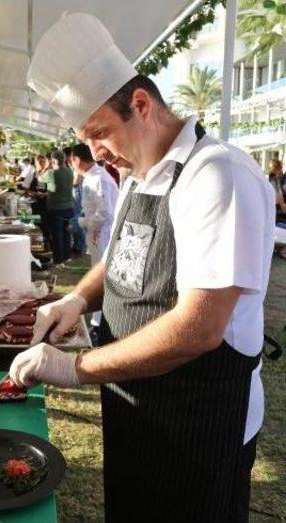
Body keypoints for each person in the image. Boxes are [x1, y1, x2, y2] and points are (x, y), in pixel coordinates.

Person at [17, 12, 275, 522]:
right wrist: (76, 299)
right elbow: (119, 260)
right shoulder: (139, 174)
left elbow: (198, 328)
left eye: (99, 133)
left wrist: (74, 368)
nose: (94, 152)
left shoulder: (215, 175)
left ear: (141, 104)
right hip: (136, 403)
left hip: (199, 423)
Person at [70, 143, 119, 330]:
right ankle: (98, 320)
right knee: (98, 271)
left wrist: (85, 223)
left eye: (72, 161)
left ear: (77, 160)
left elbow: (105, 212)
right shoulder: (92, 177)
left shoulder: (99, 179)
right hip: (96, 232)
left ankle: (99, 322)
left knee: (101, 276)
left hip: (102, 232)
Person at [38, 150, 74, 265]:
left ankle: (58, 259)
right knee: (66, 233)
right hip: (68, 206)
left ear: (53, 160)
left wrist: (47, 167)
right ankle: (66, 256)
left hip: (56, 208)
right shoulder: (69, 172)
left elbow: (39, 178)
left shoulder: (51, 173)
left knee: (56, 235)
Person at [64, 146, 87, 255]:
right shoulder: (71, 163)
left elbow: (76, 181)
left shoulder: (76, 163)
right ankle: (78, 245)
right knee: (76, 218)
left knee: (77, 219)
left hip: (77, 191)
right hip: (76, 191)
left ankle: (81, 246)